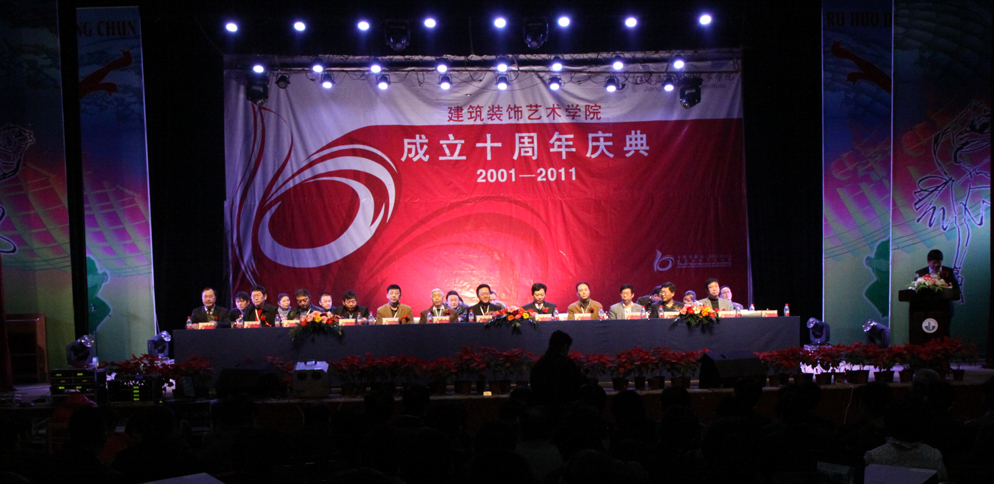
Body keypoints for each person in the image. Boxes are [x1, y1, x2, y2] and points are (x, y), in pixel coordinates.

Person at [530, 330, 587, 411]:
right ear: (565, 347)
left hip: (543, 409)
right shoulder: (567, 363)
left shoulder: (539, 364)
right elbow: (576, 385)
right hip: (565, 410)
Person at [914, 249, 960, 316]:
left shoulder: (948, 271)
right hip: (926, 310)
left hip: (945, 310)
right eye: (934, 262)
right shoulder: (920, 273)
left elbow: (956, 290)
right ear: (928, 262)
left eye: (939, 262)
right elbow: (916, 290)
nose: (937, 265)